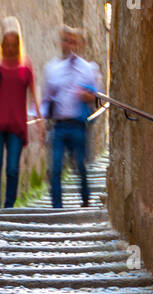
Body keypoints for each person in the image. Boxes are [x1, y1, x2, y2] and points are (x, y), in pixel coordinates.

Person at [0, 17, 41, 209]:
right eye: (7, 44)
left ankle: (9, 206)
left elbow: (33, 93)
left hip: (17, 125)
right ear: (2, 43)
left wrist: (39, 121)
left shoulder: (26, 65)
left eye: (14, 44)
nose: (11, 48)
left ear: (19, 44)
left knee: (12, 168)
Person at [41, 27, 100, 208]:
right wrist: (42, 121)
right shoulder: (52, 69)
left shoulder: (87, 68)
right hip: (58, 125)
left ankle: (85, 200)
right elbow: (46, 99)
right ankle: (56, 207)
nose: (68, 44)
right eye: (66, 40)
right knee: (56, 166)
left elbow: (98, 98)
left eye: (72, 41)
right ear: (61, 43)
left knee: (80, 166)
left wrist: (88, 96)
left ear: (79, 44)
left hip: (78, 125)